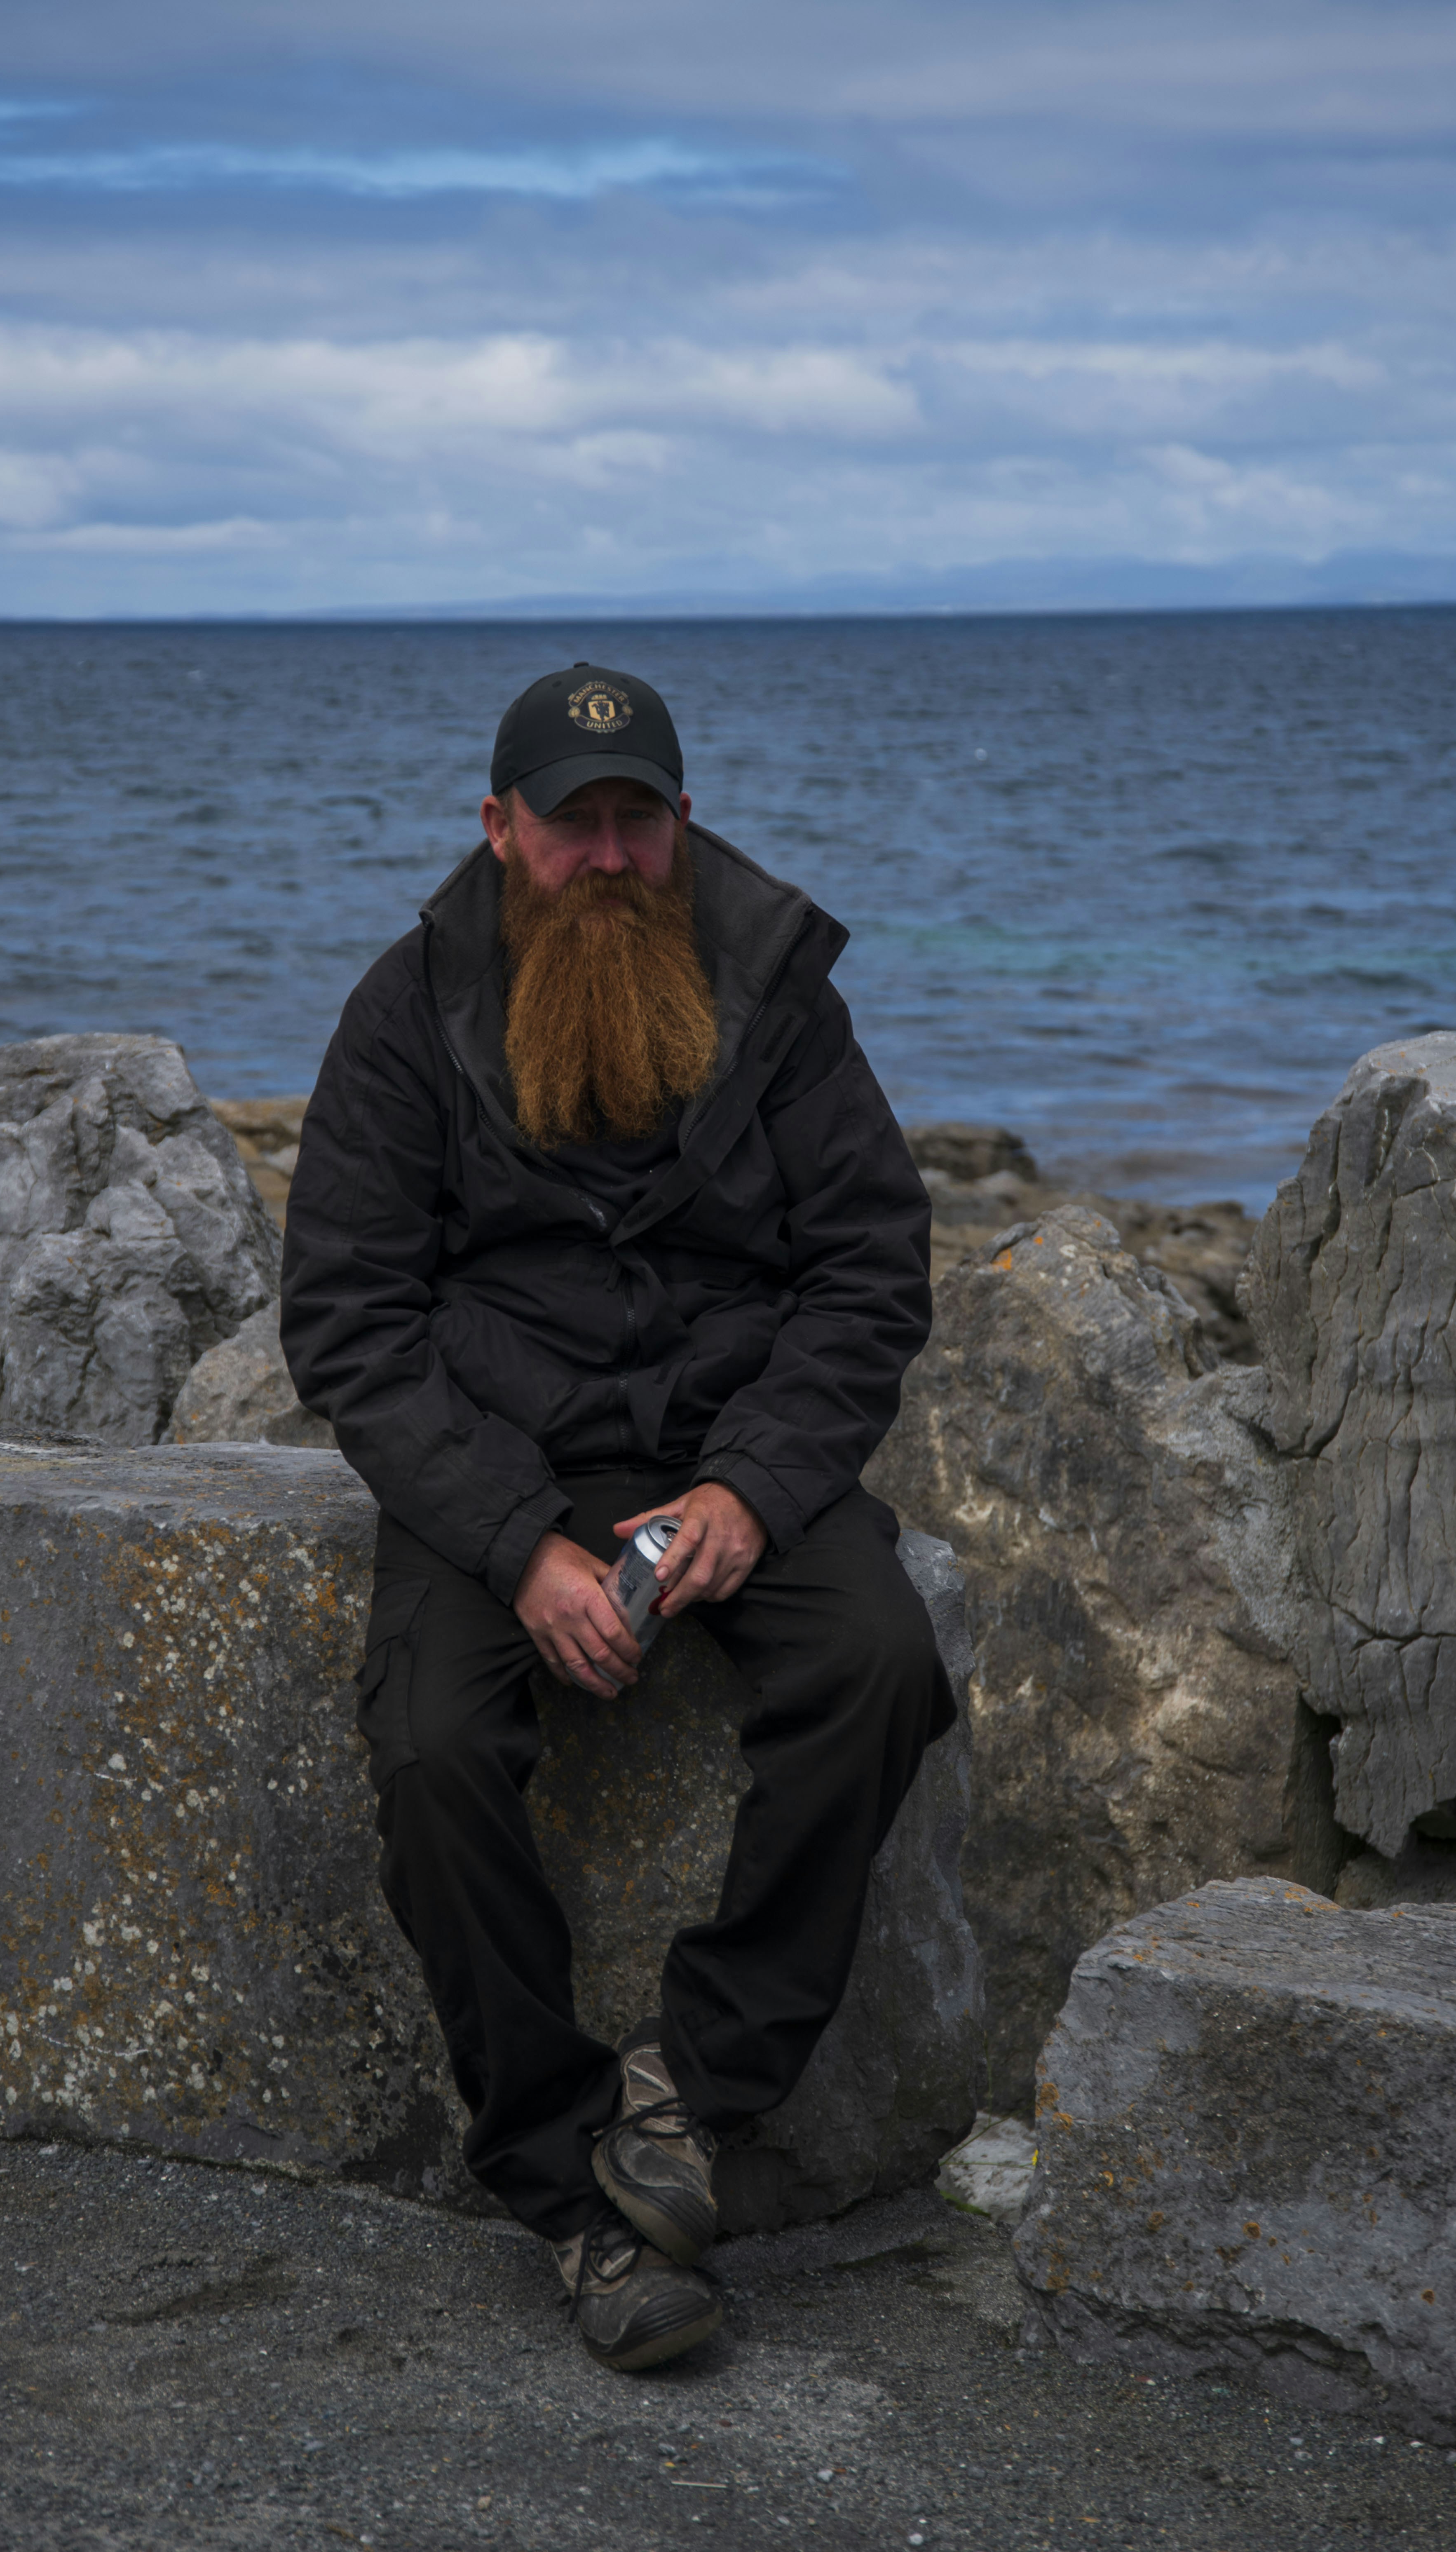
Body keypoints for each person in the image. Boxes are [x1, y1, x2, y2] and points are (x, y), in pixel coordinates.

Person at [280, 662, 953, 2372]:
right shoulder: (407, 1008)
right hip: (500, 1463)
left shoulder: (778, 986)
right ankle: (570, 2191)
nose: (604, 857)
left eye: (633, 819)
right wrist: (514, 1543)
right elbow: (352, 1315)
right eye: (567, 822)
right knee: (432, 1747)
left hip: (733, 1450)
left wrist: (755, 1483)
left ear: (680, 822)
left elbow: (867, 1267)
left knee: (879, 1661)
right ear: (498, 828)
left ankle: (688, 2098)